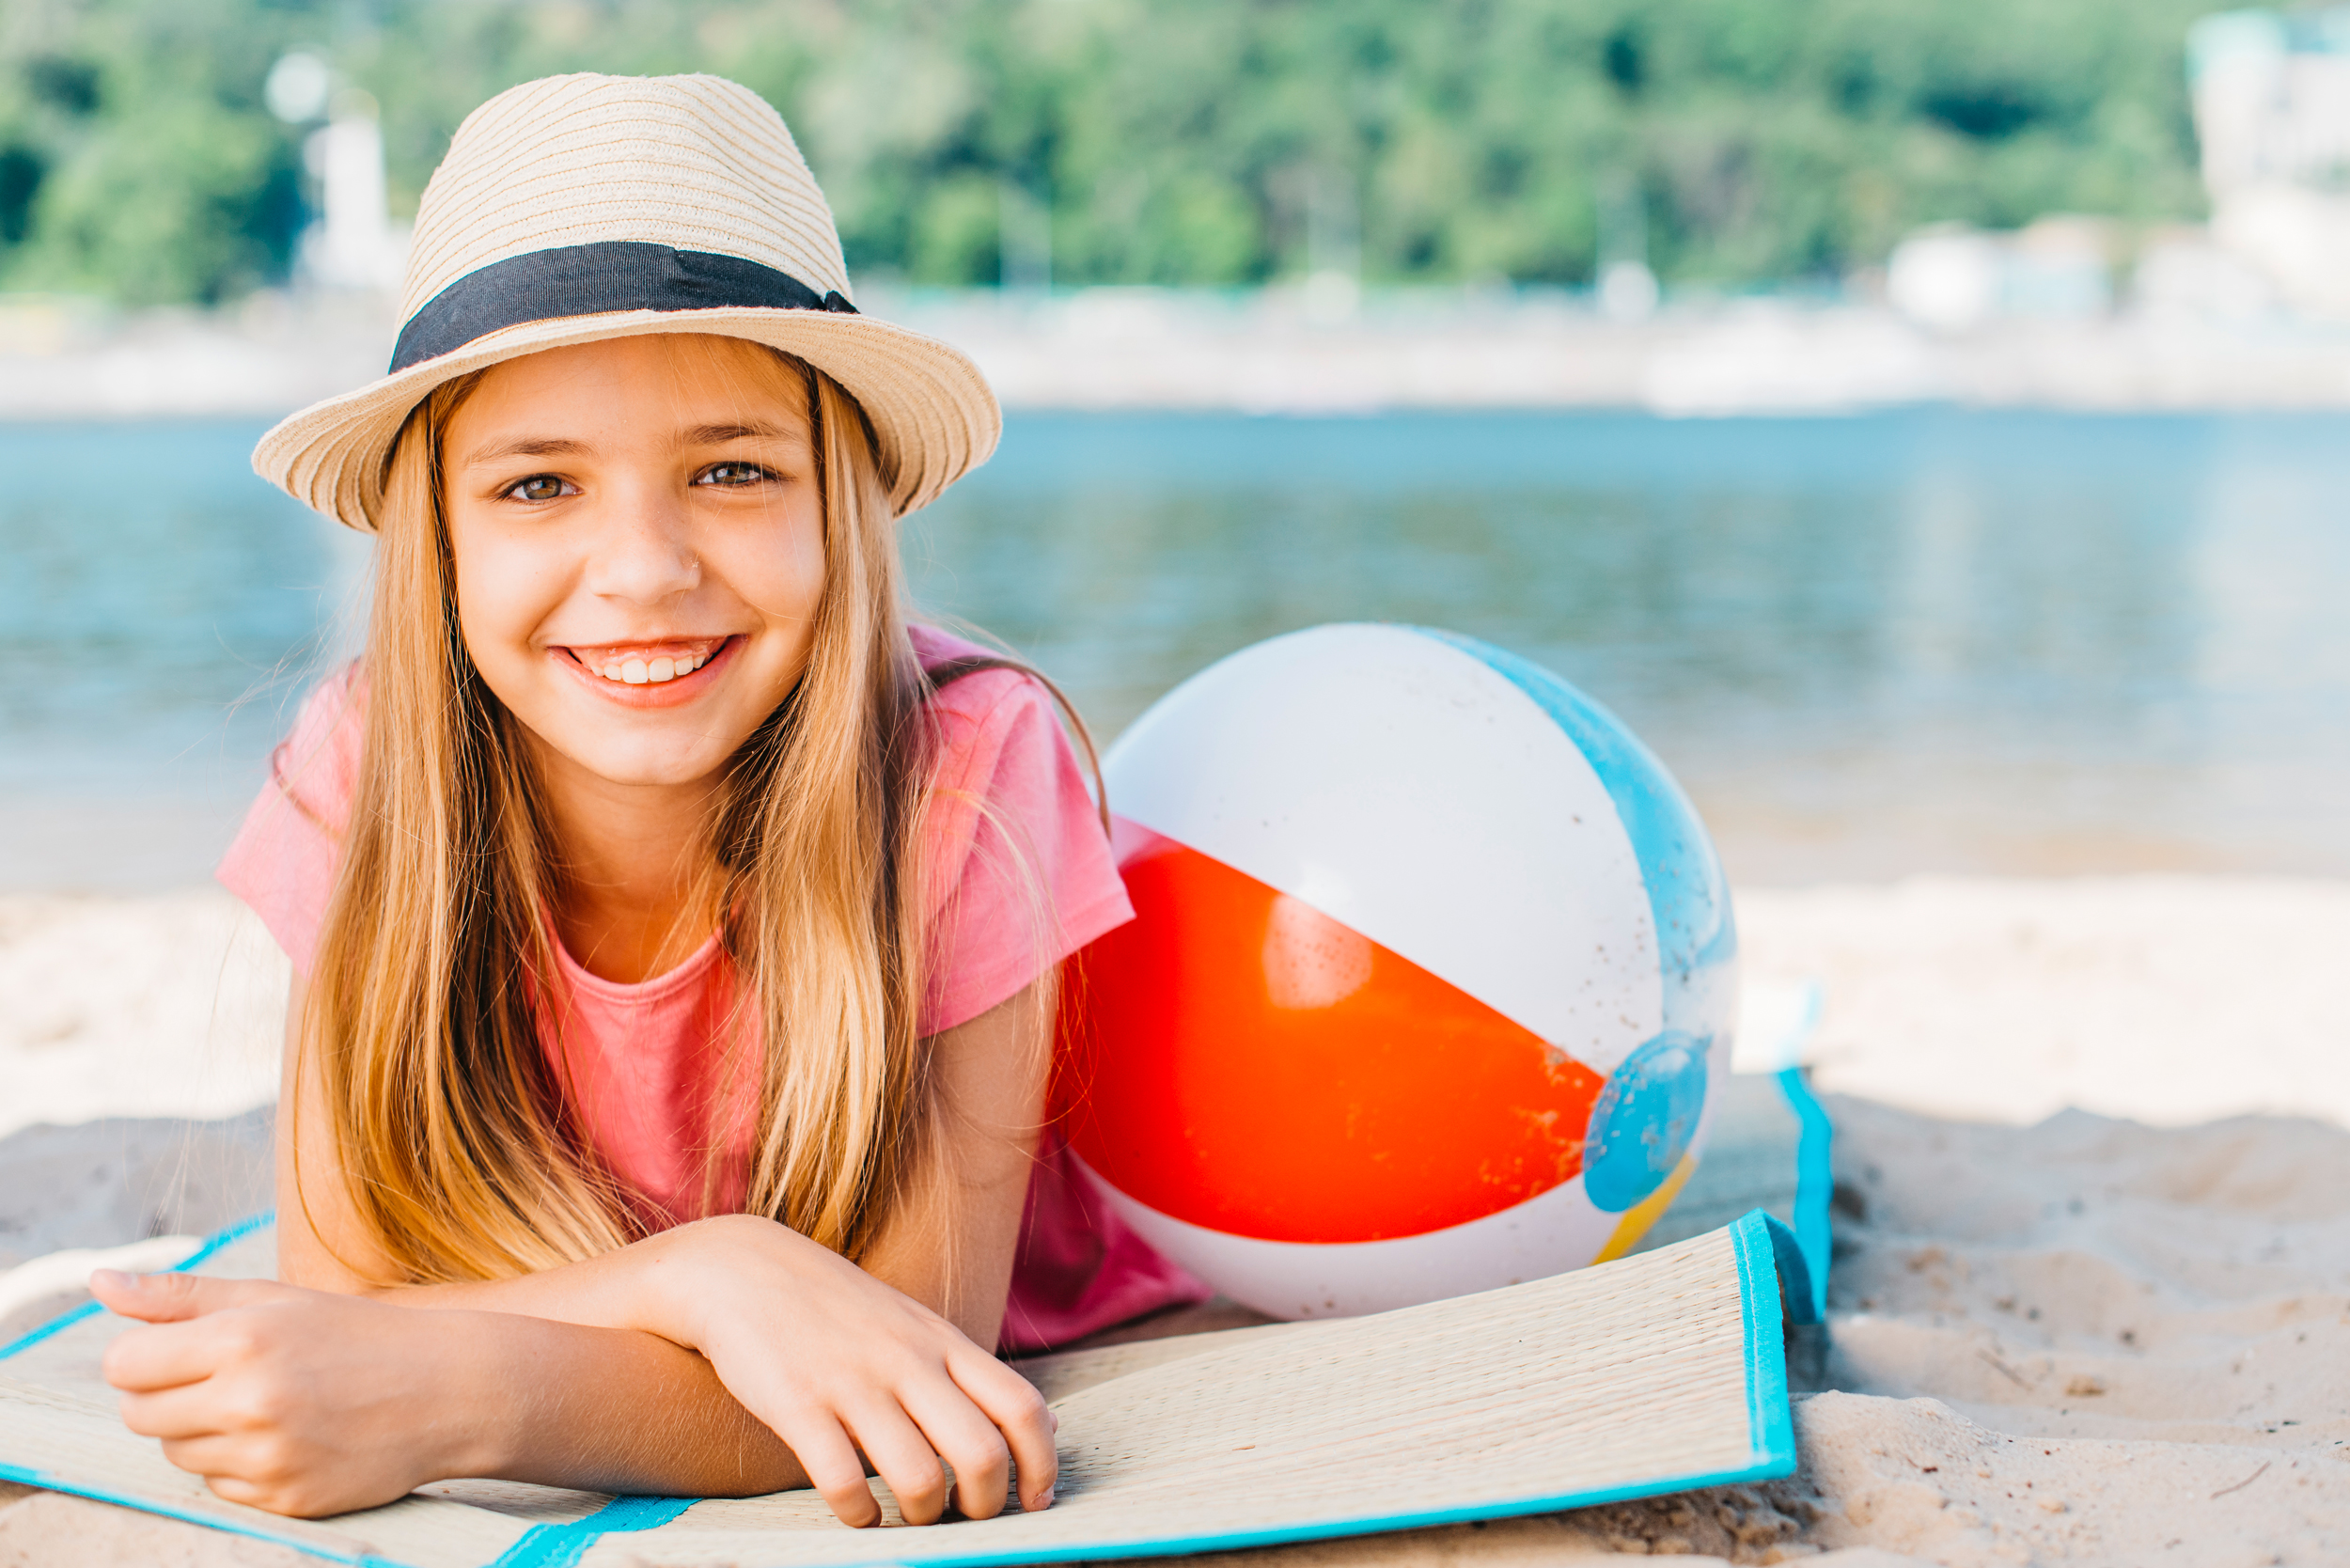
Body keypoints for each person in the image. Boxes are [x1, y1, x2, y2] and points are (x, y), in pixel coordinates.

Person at [85, 72, 1206, 1529]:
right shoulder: (366, 766)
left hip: (1055, 1318)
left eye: (733, 469)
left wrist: (465, 1389)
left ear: (841, 503)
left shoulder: (972, 769)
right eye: (539, 487)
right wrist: (705, 1272)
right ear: (437, 538)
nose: (644, 571)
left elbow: (916, 1367)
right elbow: (345, 1289)